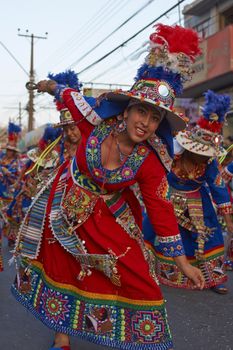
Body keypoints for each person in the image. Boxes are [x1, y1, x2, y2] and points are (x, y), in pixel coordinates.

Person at [12, 24, 204, 350]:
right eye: (141, 110)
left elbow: (160, 207)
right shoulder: (92, 119)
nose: (145, 122)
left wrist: (183, 261)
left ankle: (145, 336)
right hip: (66, 202)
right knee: (62, 267)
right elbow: (66, 93)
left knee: (139, 276)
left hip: (109, 214)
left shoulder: (149, 161)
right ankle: (61, 338)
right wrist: (47, 85)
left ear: (160, 124)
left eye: (155, 117)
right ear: (126, 110)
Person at [144, 90, 233, 294]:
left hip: (198, 203)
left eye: (206, 155)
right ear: (190, 148)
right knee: (154, 229)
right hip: (168, 199)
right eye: (199, 154)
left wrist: (228, 220)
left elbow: (218, 187)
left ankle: (214, 276)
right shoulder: (173, 156)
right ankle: (153, 270)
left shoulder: (209, 163)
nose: (203, 158)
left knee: (210, 234)